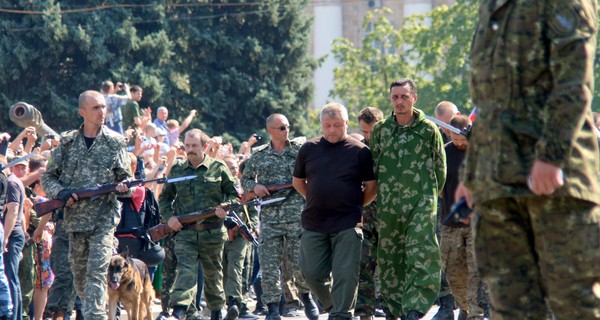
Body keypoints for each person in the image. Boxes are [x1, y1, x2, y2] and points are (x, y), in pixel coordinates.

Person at [456, 1, 600, 319]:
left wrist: (551, 156)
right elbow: (488, 103)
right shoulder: (493, 7)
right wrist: (472, 175)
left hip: (555, 183)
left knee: (573, 303)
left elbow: (574, 84)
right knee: (510, 308)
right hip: (497, 185)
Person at [42, 90, 133, 320]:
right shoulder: (68, 142)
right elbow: (48, 177)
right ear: (82, 112)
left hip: (103, 219)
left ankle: (96, 317)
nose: (102, 112)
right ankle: (94, 310)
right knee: (80, 276)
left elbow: (127, 178)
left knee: (96, 272)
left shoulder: (115, 142)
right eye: (96, 108)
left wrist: (124, 186)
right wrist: (61, 193)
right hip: (75, 220)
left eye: (103, 107)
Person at [370, 78, 446, 320]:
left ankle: (415, 307)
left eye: (404, 96)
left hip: (421, 203)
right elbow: (373, 166)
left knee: (421, 252)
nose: (399, 102)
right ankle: (395, 309)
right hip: (388, 207)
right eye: (395, 97)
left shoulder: (428, 130)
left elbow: (440, 169)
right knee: (390, 257)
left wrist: (429, 197)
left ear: (415, 98)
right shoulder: (380, 130)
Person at [292, 103, 377, 320]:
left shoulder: (360, 152)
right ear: (321, 124)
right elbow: (298, 181)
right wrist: (314, 198)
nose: (332, 130)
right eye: (327, 125)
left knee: (346, 275)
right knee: (310, 273)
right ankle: (332, 304)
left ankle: (341, 314)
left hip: (347, 223)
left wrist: (357, 205)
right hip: (314, 222)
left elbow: (371, 186)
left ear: (346, 123)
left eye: (337, 125)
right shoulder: (308, 149)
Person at [241, 114, 318, 320]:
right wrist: (255, 187)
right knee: (269, 266)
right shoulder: (258, 155)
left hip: (296, 216)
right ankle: (273, 307)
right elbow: (246, 179)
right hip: (270, 217)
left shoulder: (299, 150)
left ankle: (305, 296)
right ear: (270, 131)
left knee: (298, 263)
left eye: (287, 127)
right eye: (282, 128)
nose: (286, 131)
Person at [159, 129, 238, 320]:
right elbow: (165, 198)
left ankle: (217, 311)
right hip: (185, 233)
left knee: (213, 276)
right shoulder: (177, 169)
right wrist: (170, 218)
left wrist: (225, 208)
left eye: (194, 146)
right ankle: (179, 310)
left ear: (205, 146)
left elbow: (235, 195)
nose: (190, 149)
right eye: (187, 146)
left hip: (212, 232)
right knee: (185, 271)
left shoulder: (218, 167)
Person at [438, 115, 487, 320]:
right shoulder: (445, 152)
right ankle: (464, 307)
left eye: (462, 139)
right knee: (452, 272)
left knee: (476, 271)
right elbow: (440, 186)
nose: (459, 143)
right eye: (455, 139)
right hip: (451, 223)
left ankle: (476, 312)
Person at [354, 107, 384, 320]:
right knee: (364, 265)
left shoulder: (392, 150)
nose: (368, 136)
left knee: (390, 265)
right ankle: (365, 312)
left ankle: (391, 308)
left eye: (371, 131)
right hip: (366, 216)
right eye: (364, 132)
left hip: (390, 216)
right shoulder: (359, 151)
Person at [4, 157, 27, 320]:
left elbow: (13, 211)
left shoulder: (11, 183)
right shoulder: (15, 181)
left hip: (11, 234)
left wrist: (4, 238)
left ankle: (14, 316)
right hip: (15, 233)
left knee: (9, 277)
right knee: (12, 277)